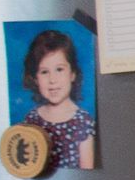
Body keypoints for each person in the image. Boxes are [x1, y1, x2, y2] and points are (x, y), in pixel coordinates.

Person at [18, 28, 95, 171]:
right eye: (44, 72)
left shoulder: (83, 121)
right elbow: (25, 166)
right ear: (35, 79)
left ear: (72, 74)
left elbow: (88, 173)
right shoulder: (31, 119)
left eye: (59, 69)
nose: (52, 80)